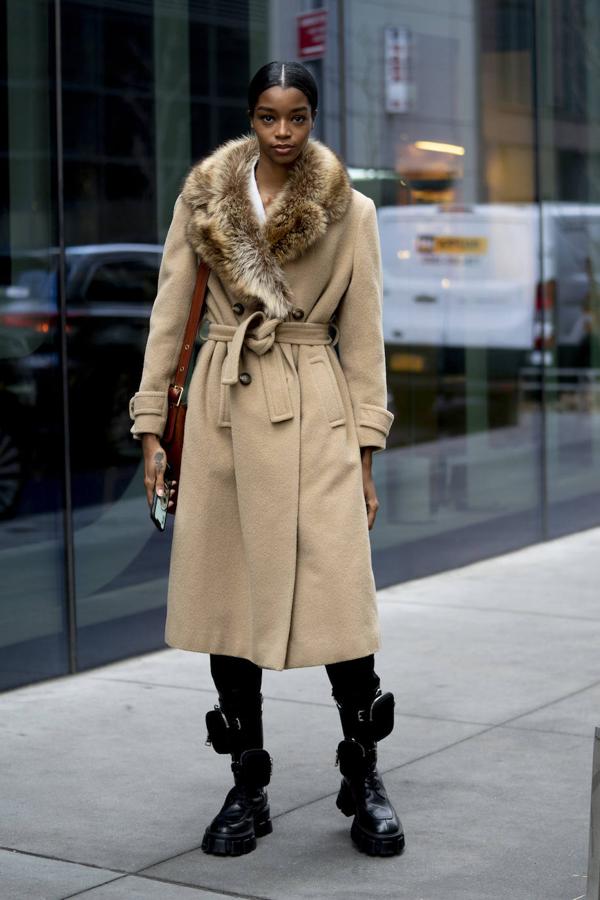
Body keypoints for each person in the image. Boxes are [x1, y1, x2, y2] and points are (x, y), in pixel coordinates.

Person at [128, 60, 404, 858]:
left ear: (314, 117)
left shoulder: (351, 209)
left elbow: (364, 338)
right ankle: (247, 783)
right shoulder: (204, 199)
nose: (282, 131)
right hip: (222, 406)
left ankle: (365, 773)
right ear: (251, 117)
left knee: (340, 601)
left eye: (297, 116)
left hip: (315, 405)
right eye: (267, 116)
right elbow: (168, 311)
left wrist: (365, 455)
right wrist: (153, 429)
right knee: (227, 599)